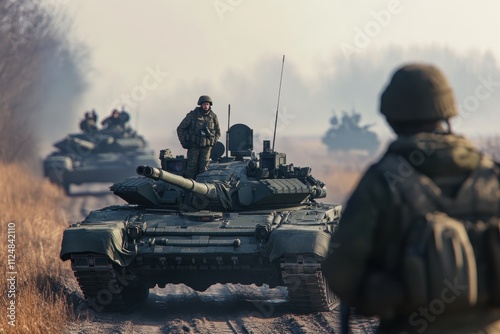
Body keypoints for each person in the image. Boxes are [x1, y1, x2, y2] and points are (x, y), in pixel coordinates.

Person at [322, 63, 500, 333]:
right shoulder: (491, 175)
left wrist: (379, 293)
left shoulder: (384, 180)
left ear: (392, 117)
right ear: (448, 112)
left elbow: (341, 269)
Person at [177, 95, 221, 179]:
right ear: (200, 104)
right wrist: (184, 142)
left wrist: (213, 142)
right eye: (204, 104)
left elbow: (218, 132)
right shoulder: (192, 115)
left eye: (207, 104)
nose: (206, 106)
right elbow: (180, 129)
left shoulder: (213, 117)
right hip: (194, 146)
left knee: (204, 169)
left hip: (206, 148)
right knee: (191, 169)